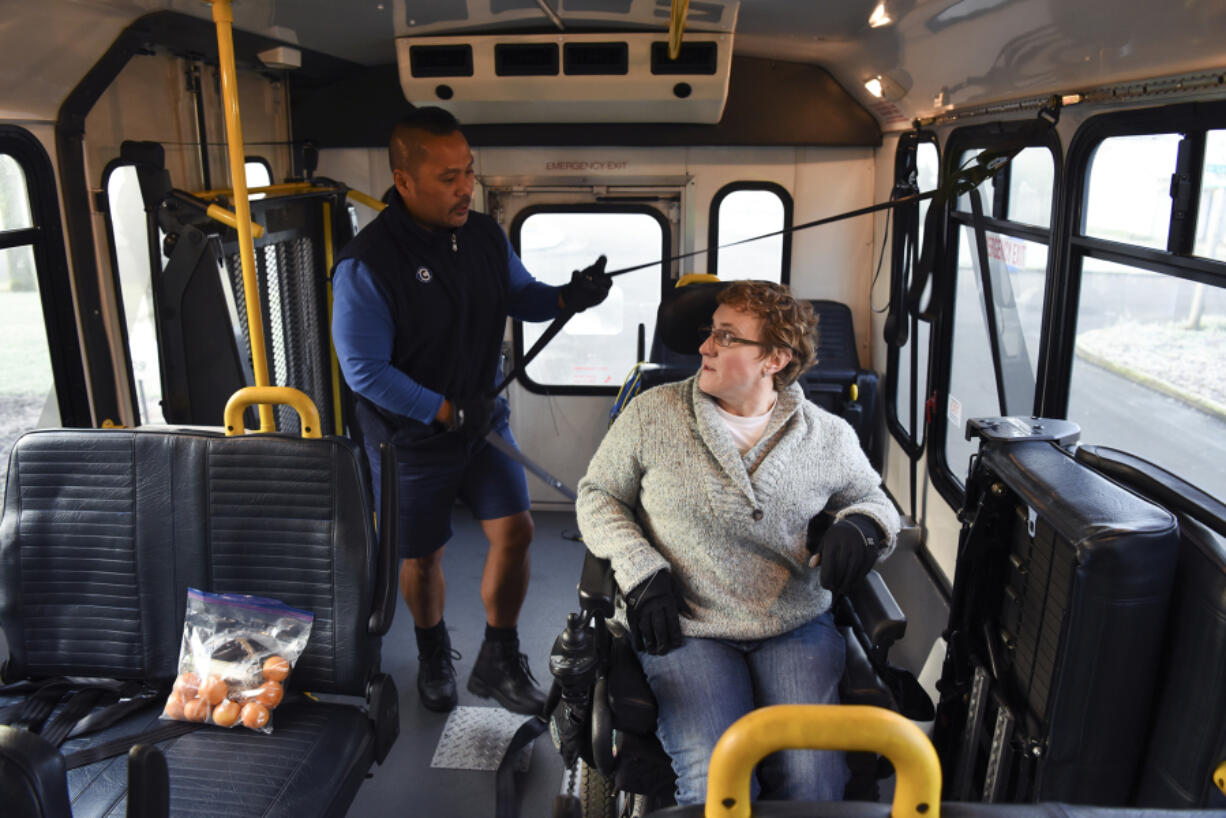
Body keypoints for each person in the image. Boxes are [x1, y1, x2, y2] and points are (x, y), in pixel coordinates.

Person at [331, 106, 611, 715]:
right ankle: (433, 652)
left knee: (517, 531)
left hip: (480, 422)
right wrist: (443, 411)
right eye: (448, 177)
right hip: (411, 439)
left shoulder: (483, 234)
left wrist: (569, 297)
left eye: (469, 173)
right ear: (404, 182)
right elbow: (365, 372)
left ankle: (497, 659)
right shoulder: (367, 265)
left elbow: (522, 294)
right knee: (422, 557)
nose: (465, 188)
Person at [576, 280, 900, 805]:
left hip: (793, 623)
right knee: (719, 782)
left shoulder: (827, 435)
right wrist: (641, 569)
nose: (705, 346)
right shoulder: (654, 414)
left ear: (775, 357)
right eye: (710, 332)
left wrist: (863, 526)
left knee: (812, 782)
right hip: (687, 624)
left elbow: (875, 499)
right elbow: (598, 496)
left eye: (726, 337)